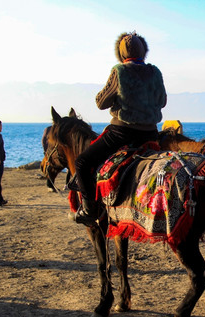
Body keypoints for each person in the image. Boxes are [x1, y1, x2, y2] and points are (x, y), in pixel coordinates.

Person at [74, 32, 167, 226]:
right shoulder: (155, 72)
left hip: (122, 133)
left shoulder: (119, 71)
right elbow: (163, 101)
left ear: (121, 53)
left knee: (82, 162)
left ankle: (89, 208)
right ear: (143, 52)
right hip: (151, 134)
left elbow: (101, 102)